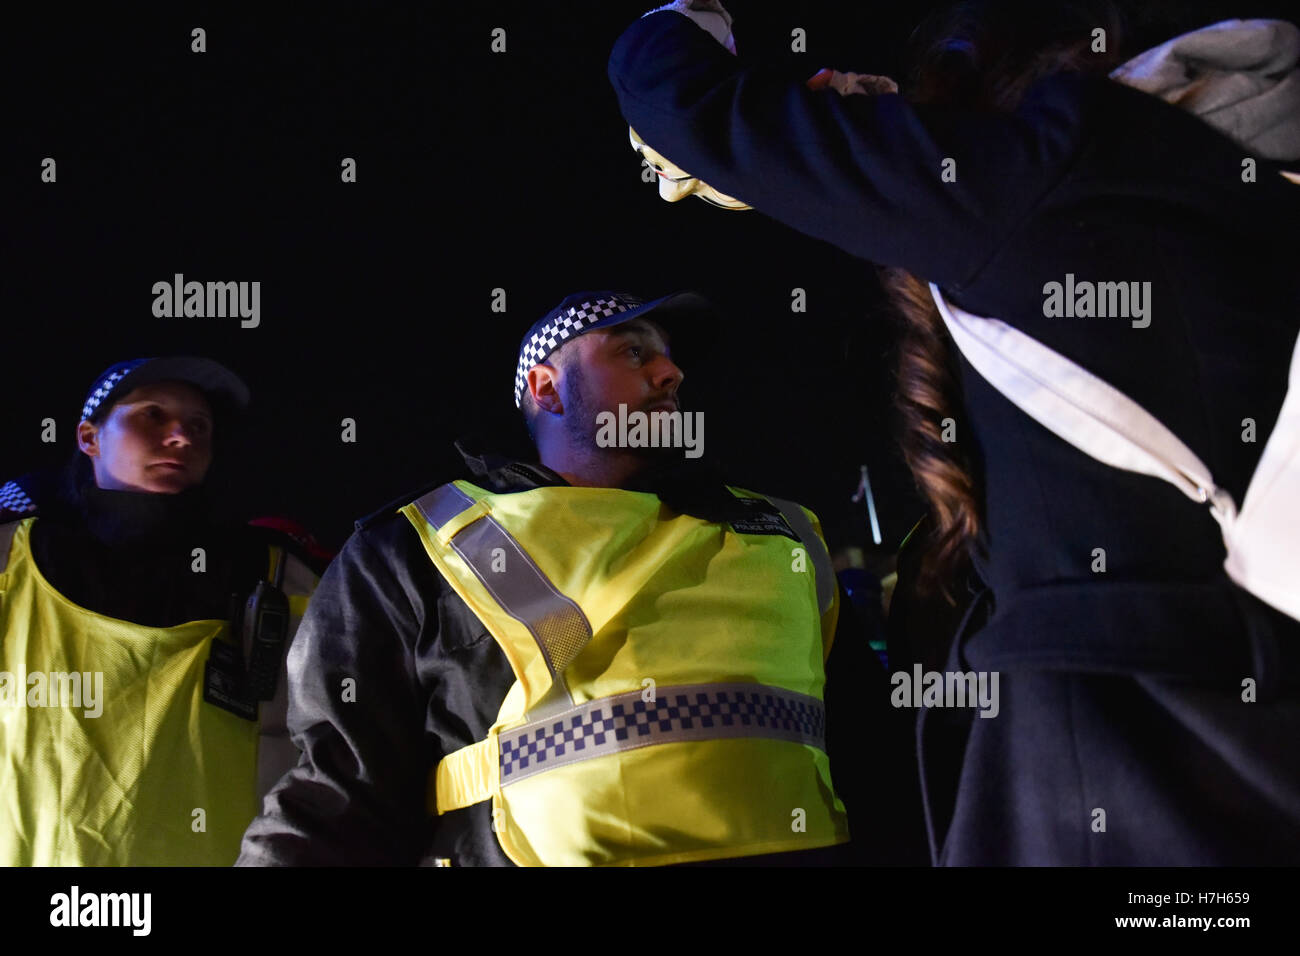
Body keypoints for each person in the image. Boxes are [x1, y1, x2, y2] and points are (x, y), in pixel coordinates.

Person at [608, 1, 1300, 864]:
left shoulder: (1055, 168)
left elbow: (678, 96)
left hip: (1123, 764)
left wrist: (691, 18)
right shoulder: (1244, 189)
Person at [237, 290, 926, 866]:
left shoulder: (783, 533)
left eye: (669, 358)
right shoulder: (419, 544)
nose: (670, 373)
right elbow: (337, 795)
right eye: (633, 350)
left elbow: (878, 763)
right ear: (545, 387)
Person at [0, 357, 327, 865]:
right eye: (152, 415)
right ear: (89, 438)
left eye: (199, 425)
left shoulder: (275, 574)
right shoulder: (12, 560)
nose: (180, 436)